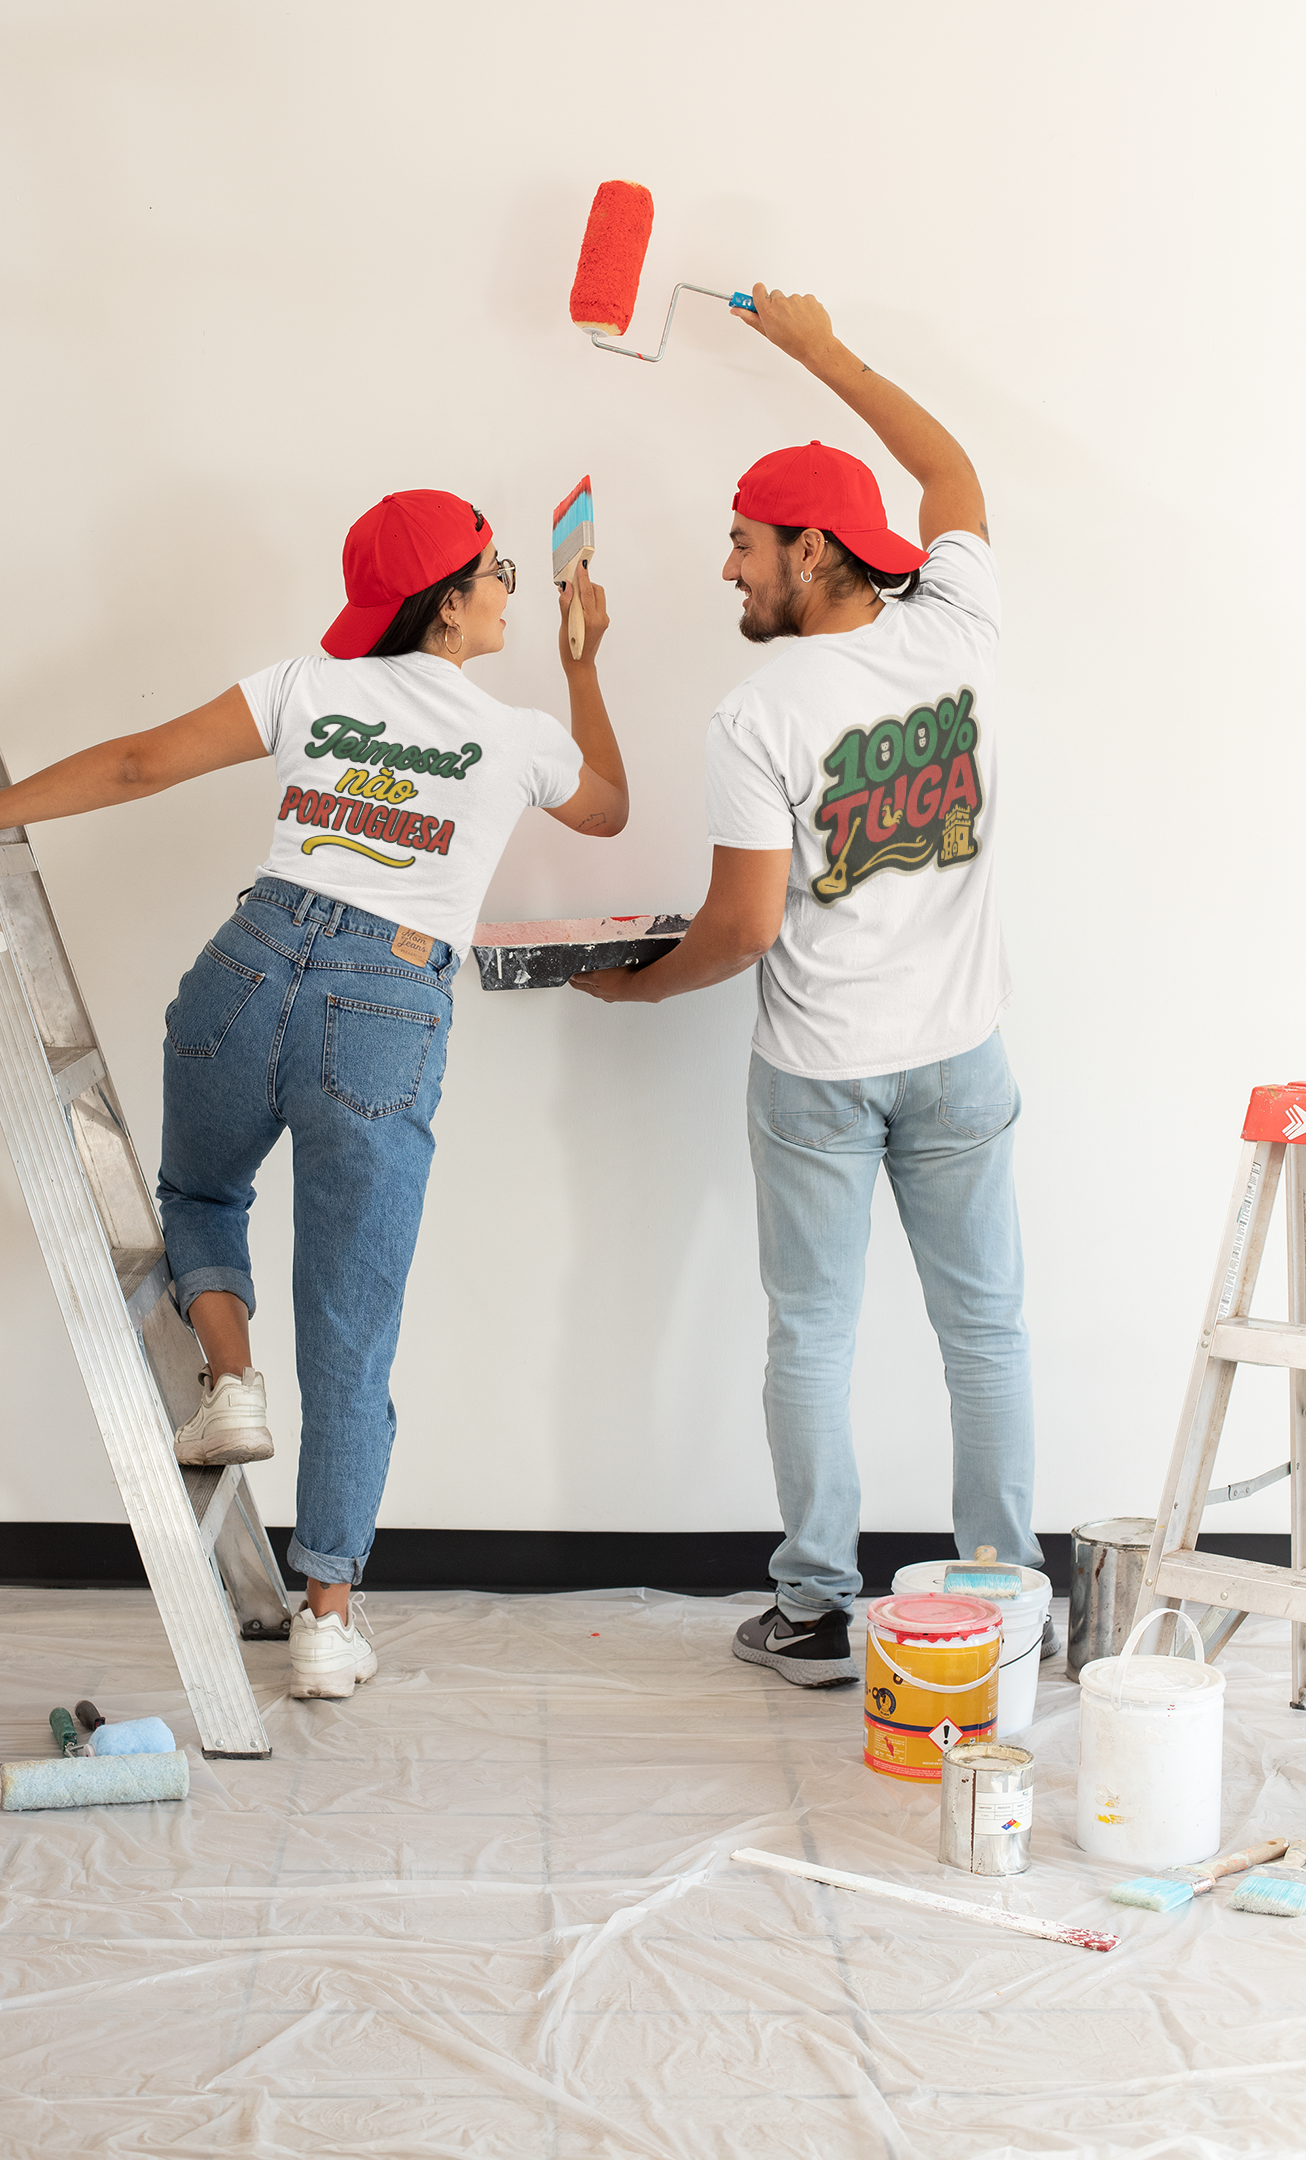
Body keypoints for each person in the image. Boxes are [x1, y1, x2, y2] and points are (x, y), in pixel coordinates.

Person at [0, 490, 627, 1700]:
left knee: (198, 1194)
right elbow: (609, 808)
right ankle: (327, 1622)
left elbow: (135, 764)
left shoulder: (307, 685)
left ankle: (230, 1382)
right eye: (496, 569)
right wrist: (584, 662)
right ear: (450, 605)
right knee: (350, 1329)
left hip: (249, 965)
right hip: (388, 1004)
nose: (508, 585)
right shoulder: (522, 738)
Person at [573, 286, 1045, 1687]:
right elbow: (950, 472)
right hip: (961, 1053)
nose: (726, 567)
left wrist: (636, 992)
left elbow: (740, 929)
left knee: (814, 1341)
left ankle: (819, 1612)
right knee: (985, 1334)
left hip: (823, 1076)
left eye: (745, 542)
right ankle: (1010, 1597)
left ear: (814, 549)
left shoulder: (761, 713)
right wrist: (820, 350)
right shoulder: (958, 625)